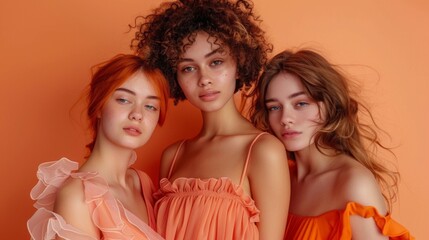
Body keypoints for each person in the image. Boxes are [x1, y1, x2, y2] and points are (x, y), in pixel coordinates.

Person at [131, 0, 290, 239]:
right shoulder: (173, 156)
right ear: (174, 77)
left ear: (240, 64)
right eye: (188, 68)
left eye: (215, 62)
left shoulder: (263, 150)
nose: (204, 78)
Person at [250, 49, 414, 239]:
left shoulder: (354, 183)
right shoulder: (277, 175)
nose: (286, 118)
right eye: (274, 107)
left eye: (301, 103)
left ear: (328, 104)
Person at [27, 54, 168, 240]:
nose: (137, 114)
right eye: (124, 100)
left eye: (150, 106)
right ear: (99, 106)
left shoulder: (142, 183)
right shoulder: (77, 197)